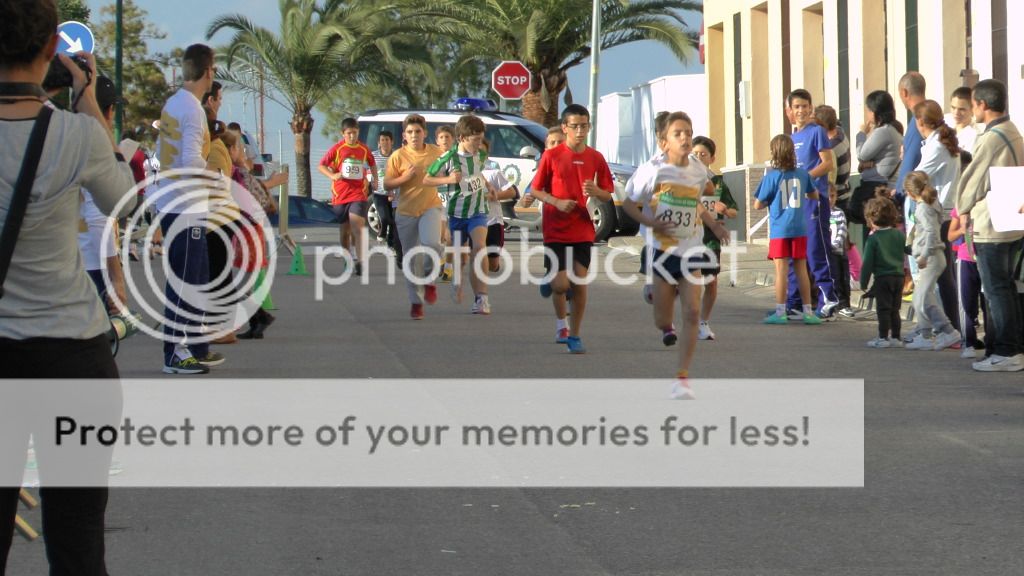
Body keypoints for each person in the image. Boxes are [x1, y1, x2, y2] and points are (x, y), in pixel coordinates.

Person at [0, 0, 136, 572]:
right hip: (73, 354)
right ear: (52, 50)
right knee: (78, 535)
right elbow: (124, 201)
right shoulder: (77, 135)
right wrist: (86, 98)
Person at [622, 111, 729, 398]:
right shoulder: (651, 170)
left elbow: (697, 201)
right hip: (662, 251)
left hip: (691, 249)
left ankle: (682, 378)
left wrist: (714, 227)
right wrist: (650, 222)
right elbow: (628, 205)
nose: (685, 138)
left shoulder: (697, 169)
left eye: (688, 132)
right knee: (662, 319)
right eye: (678, 133)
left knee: (693, 312)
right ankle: (663, 319)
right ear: (664, 142)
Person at [152, 43, 224, 374]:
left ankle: (196, 345)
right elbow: (192, 162)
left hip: (176, 204)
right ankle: (176, 353)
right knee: (185, 281)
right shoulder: (193, 110)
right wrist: (218, 177)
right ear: (208, 71)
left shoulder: (174, 104)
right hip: (184, 207)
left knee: (197, 276)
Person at [529, 104, 614, 353]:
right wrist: (556, 201)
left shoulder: (596, 158)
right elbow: (535, 189)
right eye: (575, 126)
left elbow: (607, 194)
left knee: (579, 281)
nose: (580, 131)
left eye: (584, 126)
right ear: (564, 127)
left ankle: (574, 335)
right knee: (560, 286)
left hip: (583, 229)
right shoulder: (551, 156)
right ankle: (559, 320)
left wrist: (596, 192)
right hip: (555, 229)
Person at [955, 79, 1024, 372]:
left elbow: (973, 179)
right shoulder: (1015, 133)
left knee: (995, 288)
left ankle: (1007, 351)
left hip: (992, 222)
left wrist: (963, 208)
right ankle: (1002, 347)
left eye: (973, 105)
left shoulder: (991, 138)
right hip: (1013, 219)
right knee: (1006, 287)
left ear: (982, 105)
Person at [423, 114, 498, 314]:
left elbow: (478, 174)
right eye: (475, 140)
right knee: (460, 259)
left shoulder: (480, 155)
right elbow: (427, 179)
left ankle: (481, 299)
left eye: (481, 139)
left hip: (478, 211)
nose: (479, 144)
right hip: (456, 214)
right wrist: (448, 180)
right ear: (462, 138)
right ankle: (456, 281)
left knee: (479, 247)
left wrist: (488, 186)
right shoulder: (447, 158)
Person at [755, 134, 822, 327]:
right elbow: (814, 194)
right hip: (800, 226)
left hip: (780, 229)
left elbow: (758, 204)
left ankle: (780, 311)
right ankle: (808, 311)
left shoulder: (772, 176)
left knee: (781, 271)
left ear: (774, 152)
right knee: (801, 269)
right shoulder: (802, 174)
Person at [384, 114, 444, 319]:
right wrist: (404, 178)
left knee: (433, 244)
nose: (414, 135)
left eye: (418, 131)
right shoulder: (397, 156)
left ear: (425, 133)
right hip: (406, 212)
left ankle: (429, 279)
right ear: (404, 135)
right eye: (410, 132)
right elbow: (386, 184)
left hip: (431, 207)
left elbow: (452, 167)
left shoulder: (436, 152)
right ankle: (416, 302)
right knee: (411, 259)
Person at [784, 89, 837, 318]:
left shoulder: (817, 132)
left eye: (805, 106)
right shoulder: (792, 138)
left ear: (811, 108)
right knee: (795, 250)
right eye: (797, 107)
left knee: (816, 248)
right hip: (795, 202)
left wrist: (805, 180)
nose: (801, 111)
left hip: (815, 198)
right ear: (790, 111)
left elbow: (827, 164)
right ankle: (794, 301)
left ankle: (829, 298)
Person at [78, 75, 128, 315]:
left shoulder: (67, 139)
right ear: (108, 111)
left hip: (70, 260)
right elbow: (99, 218)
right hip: (93, 265)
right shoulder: (97, 148)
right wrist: (115, 278)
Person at [913, 99, 961, 332]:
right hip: (944, 211)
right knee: (942, 275)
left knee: (938, 276)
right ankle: (945, 325)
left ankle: (949, 327)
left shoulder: (936, 147)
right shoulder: (940, 143)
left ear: (920, 121)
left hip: (938, 214)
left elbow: (918, 178)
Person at [226, 127, 279, 339]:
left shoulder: (239, 174)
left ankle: (259, 318)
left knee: (240, 281)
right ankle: (258, 319)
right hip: (246, 230)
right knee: (240, 281)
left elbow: (257, 201)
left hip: (248, 231)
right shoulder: (237, 173)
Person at [902, 172, 961, 350]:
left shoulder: (923, 208)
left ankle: (929, 334)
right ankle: (944, 330)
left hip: (931, 257)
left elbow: (930, 232)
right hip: (934, 256)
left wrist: (924, 255)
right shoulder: (931, 204)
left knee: (920, 298)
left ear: (911, 193)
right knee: (925, 297)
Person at [691, 136, 737, 340]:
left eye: (703, 154)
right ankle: (688, 319)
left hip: (710, 239)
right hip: (689, 239)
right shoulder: (685, 181)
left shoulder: (718, 183)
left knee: (711, 282)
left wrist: (724, 210)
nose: (699, 157)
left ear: (712, 158)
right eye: (695, 154)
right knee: (692, 280)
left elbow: (734, 210)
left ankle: (703, 321)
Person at [318, 117, 376, 276]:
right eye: (349, 133)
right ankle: (347, 257)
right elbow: (321, 165)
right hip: (340, 195)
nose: (352, 136)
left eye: (355, 133)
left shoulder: (363, 149)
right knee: (345, 232)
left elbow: (372, 163)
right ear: (343, 133)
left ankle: (361, 261)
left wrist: (375, 180)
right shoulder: (337, 149)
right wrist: (333, 175)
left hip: (358, 193)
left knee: (357, 227)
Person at [859, 194, 908, 347]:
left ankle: (882, 337)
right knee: (895, 309)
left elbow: (867, 262)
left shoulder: (874, 239)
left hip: (882, 277)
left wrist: (863, 282)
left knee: (883, 309)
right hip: (899, 276)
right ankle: (896, 337)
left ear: (871, 219)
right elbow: (908, 249)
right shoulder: (899, 234)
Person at [851, 90, 902, 235]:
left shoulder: (883, 132)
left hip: (876, 187)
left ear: (875, 111)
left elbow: (862, 154)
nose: (867, 114)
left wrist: (861, 133)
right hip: (883, 184)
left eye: (868, 110)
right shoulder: (891, 130)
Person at [948, 207, 986, 358]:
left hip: (986, 256)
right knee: (966, 302)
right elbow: (950, 235)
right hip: (966, 258)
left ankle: (992, 342)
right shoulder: (960, 208)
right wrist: (961, 230)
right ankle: (968, 342)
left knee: (987, 302)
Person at [481, 138, 518, 274]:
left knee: (492, 264)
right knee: (477, 257)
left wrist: (494, 196)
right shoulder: (463, 173)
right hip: (474, 222)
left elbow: (512, 192)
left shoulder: (493, 173)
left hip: (493, 222)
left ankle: (493, 265)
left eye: (482, 152)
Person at [371, 130, 402, 264]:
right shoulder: (373, 156)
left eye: (387, 140)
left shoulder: (396, 155)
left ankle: (391, 244)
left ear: (392, 142)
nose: (385, 143)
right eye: (382, 140)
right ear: (378, 143)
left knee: (394, 221)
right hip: (379, 193)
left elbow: (399, 174)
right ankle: (381, 234)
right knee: (384, 217)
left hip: (393, 193)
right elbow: (367, 169)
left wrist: (393, 191)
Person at [815, 104, 851, 210]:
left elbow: (830, 179)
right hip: (844, 193)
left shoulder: (830, 149)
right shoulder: (840, 133)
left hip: (836, 200)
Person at [826, 184, 853, 316]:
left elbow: (842, 231)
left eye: (832, 196)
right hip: (826, 254)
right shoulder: (820, 213)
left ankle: (844, 304)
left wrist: (835, 245)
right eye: (827, 197)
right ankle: (832, 303)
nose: (830, 199)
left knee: (843, 279)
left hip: (837, 252)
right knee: (832, 279)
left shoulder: (839, 213)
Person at [946, 86, 978, 154]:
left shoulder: (974, 134)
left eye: (961, 109)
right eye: (953, 107)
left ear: (972, 109)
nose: (956, 113)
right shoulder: (944, 121)